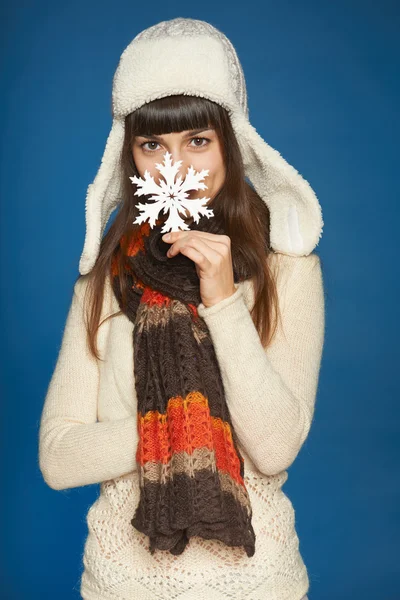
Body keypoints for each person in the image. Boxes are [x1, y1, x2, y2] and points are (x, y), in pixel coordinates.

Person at [38, 16, 324, 600]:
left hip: (256, 583)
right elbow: (59, 458)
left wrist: (222, 300)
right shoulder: (102, 283)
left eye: (198, 141)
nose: (179, 166)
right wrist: (170, 424)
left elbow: (273, 447)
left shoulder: (287, 270)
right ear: (131, 157)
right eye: (152, 145)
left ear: (230, 145)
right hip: (123, 584)